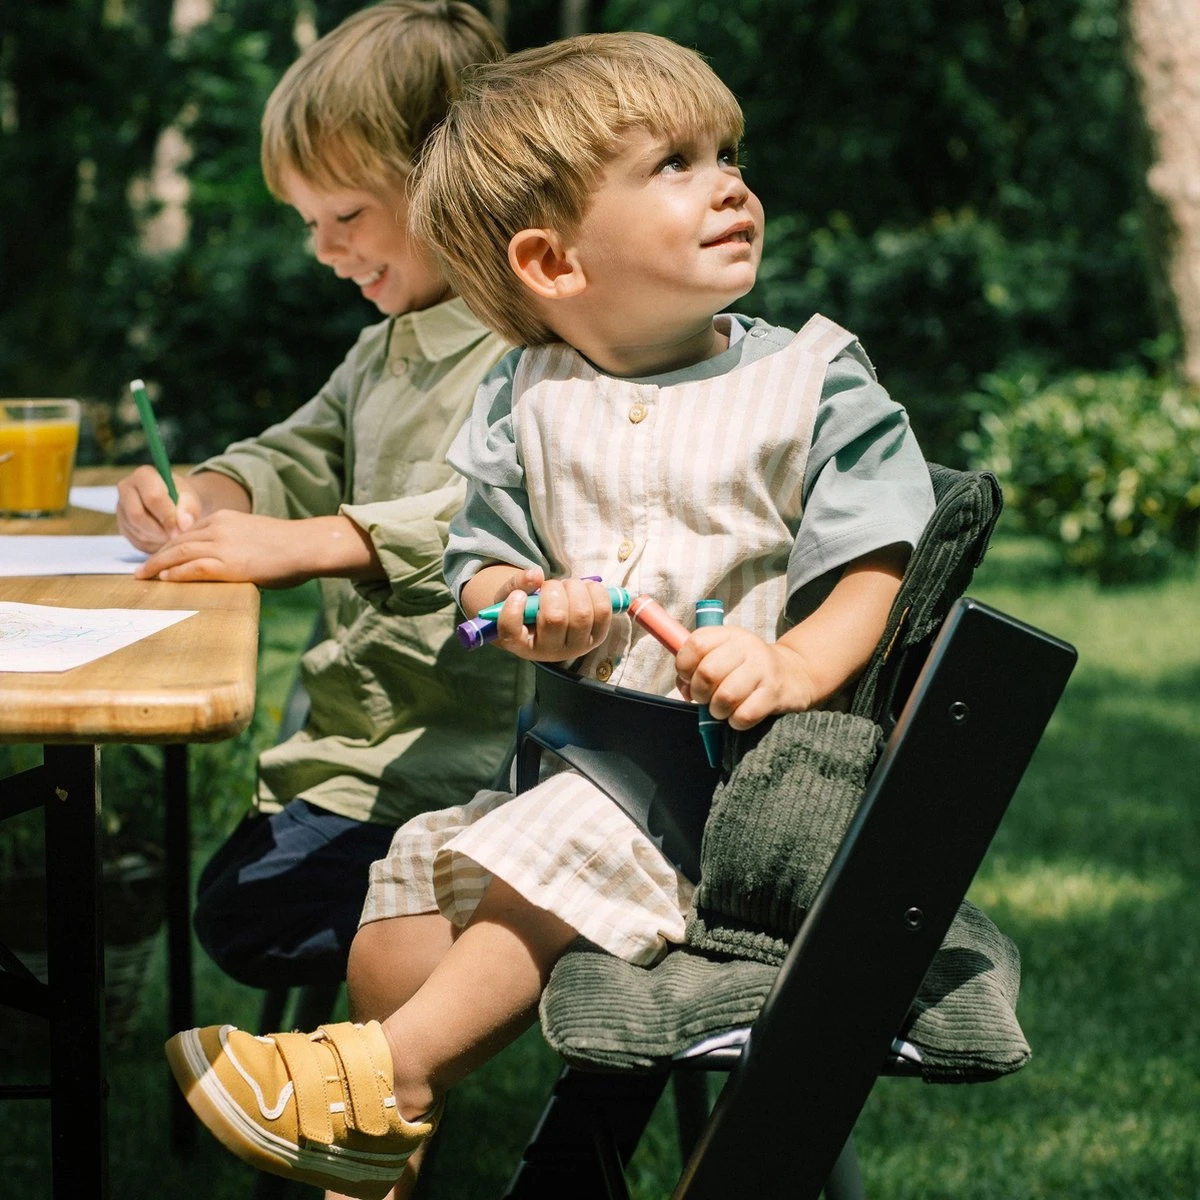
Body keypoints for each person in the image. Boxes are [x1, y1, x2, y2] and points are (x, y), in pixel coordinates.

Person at [165, 32, 936, 1200]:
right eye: (675, 162)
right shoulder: (525, 396)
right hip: (590, 776)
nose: (730, 180)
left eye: (725, 151)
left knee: (549, 852)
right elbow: (476, 577)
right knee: (404, 901)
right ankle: (368, 1142)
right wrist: (524, 609)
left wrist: (789, 664)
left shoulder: (813, 382)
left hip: (746, 797)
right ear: (553, 262)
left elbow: (881, 566)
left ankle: (397, 1080)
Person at [115, 1, 525, 995]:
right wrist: (208, 489)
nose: (325, 249)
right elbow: (295, 448)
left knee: (253, 905)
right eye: (311, 223)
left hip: (470, 776)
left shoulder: (534, 346)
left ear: (456, 184)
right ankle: (386, 1061)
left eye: (346, 216)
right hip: (362, 758)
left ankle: (393, 1082)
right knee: (243, 895)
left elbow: (481, 519)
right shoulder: (385, 347)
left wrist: (310, 544)